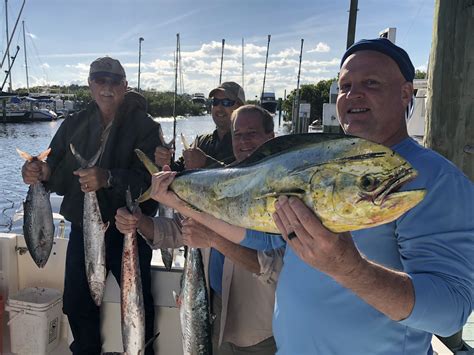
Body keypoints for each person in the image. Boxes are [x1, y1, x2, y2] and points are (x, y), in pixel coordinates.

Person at [148, 39, 474, 354]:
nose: (353, 95)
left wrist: (350, 268)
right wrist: (178, 200)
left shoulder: (437, 180)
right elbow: (268, 237)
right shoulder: (325, 159)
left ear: (406, 93)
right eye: (345, 86)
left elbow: (449, 312)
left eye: (371, 83)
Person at [21, 56, 162, 355]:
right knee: (76, 302)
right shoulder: (73, 123)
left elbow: (152, 182)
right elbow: (56, 173)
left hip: (129, 232)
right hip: (83, 230)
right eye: (100, 80)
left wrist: (108, 177)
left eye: (114, 82)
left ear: (125, 86)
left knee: (138, 306)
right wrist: (39, 171)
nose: (107, 87)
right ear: (90, 85)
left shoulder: (146, 127)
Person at [116, 105, 282, 354]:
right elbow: (183, 229)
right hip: (208, 306)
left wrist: (214, 239)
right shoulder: (218, 181)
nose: (244, 141)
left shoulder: (282, 188)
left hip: (258, 324)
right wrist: (140, 222)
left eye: (252, 133)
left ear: (271, 137)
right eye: (238, 134)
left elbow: (275, 266)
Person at [154, 81, 245, 170]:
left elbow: (245, 178)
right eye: (215, 102)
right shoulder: (202, 141)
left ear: (240, 107)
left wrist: (206, 163)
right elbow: (179, 172)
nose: (219, 107)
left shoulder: (248, 143)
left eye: (226, 102)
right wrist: (166, 163)